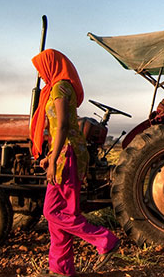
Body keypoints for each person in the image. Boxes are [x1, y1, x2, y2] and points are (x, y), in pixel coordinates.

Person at [30, 49, 119, 277]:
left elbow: (61, 126)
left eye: (41, 69)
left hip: (67, 155)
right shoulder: (58, 87)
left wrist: (53, 160)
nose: (40, 76)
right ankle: (61, 269)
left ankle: (104, 239)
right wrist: (50, 156)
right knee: (61, 216)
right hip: (64, 152)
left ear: (51, 65)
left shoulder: (60, 87)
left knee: (52, 212)